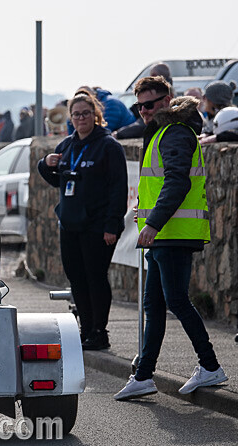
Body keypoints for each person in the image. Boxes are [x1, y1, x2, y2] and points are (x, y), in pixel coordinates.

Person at [114, 76, 228, 401]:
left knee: (175, 300)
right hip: (166, 233)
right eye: (139, 106)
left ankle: (210, 366)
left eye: (150, 104)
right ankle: (144, 375)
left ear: (167, 100)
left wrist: (153, 223)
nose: (144, 111)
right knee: (155, 303)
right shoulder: (164, 131)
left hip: (173, 232)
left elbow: (177, 182)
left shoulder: (175, 132)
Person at [37, 89, 127, 350]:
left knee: (95, 277)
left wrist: (112, 225)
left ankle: (100, 332)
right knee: (76, 277)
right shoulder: (66, 146)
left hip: (98, 225)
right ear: (70, 118)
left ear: (95, 115)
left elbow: (118, 188)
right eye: (76, 115)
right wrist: (45, 164)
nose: (80, 119)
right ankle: (85, 330)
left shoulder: (108, 146)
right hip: (70, 224)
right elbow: (60, 181)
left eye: (85, 113)